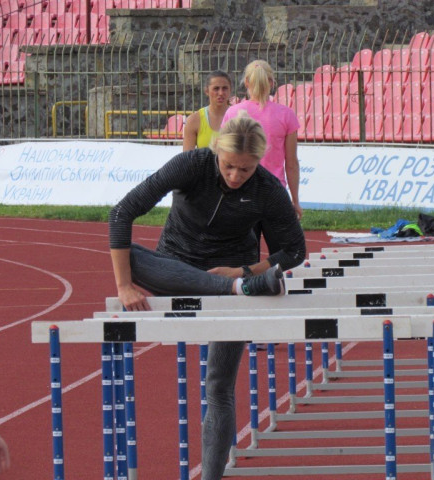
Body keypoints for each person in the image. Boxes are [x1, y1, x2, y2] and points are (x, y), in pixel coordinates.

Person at [108, 112, 305, 480]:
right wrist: (123, 286)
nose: (235, 176)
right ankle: (237, 289)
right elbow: (121, 213)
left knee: (218, 385)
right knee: (128, 258)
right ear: (216, 150)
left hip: (233, 274)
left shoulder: (266, 188)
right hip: (179, 270)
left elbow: (294, 250)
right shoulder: (191, 165)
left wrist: (244, 271)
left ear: (258, 162)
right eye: (228, 165)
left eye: (245, 169)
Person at [222, 60, 301, 260]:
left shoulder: (233, 113)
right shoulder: (286, 115)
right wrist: (295, 200)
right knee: (281, 254)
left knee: (245, 256)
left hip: (243, 190)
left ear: (246, 82)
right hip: (275, 190)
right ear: (272, 83)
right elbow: (291, 163)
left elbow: (223, 157)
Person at [183, 71, 233, 152]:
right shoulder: (194, 120)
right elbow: (187, 157)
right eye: (216, 89)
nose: (221, 93)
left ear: (230, 90)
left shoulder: (238, 117)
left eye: (224, 88)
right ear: (207, 91)